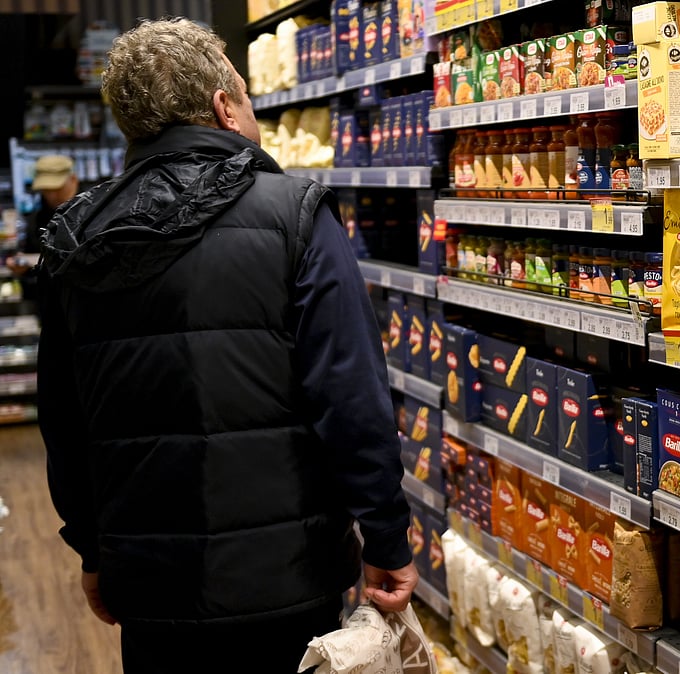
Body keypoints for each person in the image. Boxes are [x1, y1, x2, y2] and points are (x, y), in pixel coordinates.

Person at [36, 17, 417, 673]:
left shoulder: (76, 236)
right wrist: (386, 533)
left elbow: (64, 423)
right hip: (286, 583)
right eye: (246, 94)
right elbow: (350, 396)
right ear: (224, 108)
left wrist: (94, 551)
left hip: (149, 584)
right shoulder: (295, 215)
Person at [8, 154, 78, 312]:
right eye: (46, 190)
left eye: (56, 188)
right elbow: (30, 264)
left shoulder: (94, 213)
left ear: (73, 180)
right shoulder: (36, 220)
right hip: (50, 307)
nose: (51, 195)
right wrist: (23, 269)